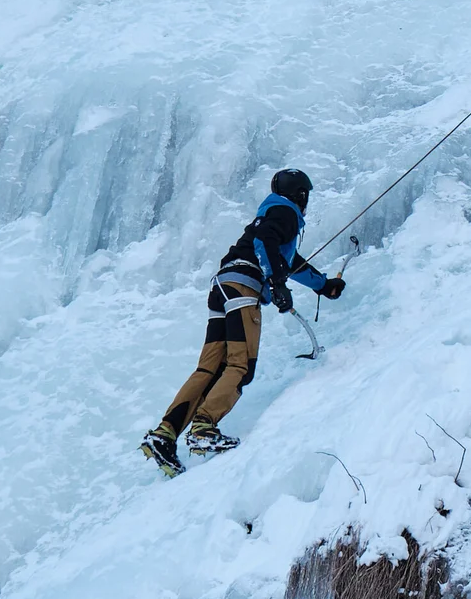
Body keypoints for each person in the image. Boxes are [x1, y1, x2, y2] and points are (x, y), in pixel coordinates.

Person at [142, 168, 345, 472]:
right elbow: (266, 244)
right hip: (243, 288)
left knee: (210, 367)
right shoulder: (285, 211)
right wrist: (276, 284)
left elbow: (287, 260)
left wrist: (323, 285)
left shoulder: (272, 215)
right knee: (240, 364)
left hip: (222, 286)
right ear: (300, 194)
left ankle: (164, 434)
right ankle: (203, 429)